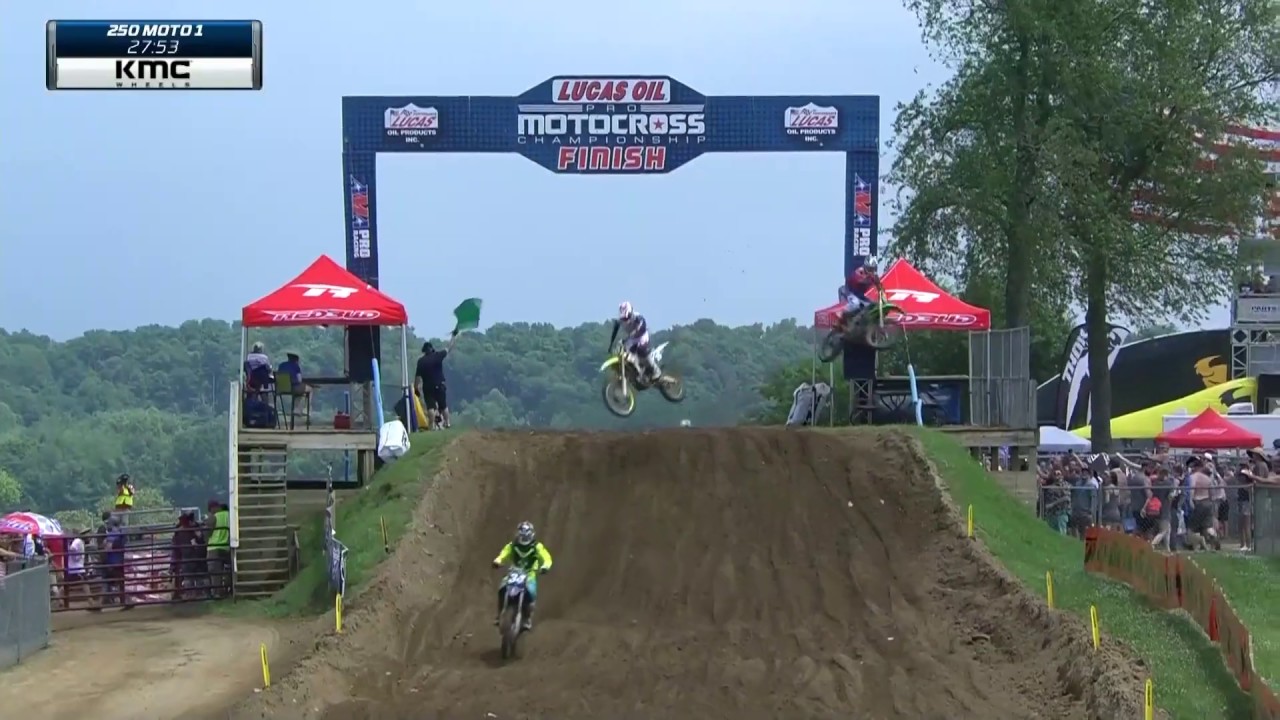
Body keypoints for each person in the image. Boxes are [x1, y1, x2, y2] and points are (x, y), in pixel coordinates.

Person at [491, 521, 553, 631]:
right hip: (514, 572)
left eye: (526, 536)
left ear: (531, 535)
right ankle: (499, 614)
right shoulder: (512, 545)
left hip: (530, 574)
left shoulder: (537, 547)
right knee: (502, 588)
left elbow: (546, 557)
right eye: (522, 535)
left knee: (531, 593)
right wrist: (498, 561)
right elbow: (503, 554)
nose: (524, 538)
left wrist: (545, 566)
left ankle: (528, 618)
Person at [415, 334, 458, 430]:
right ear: (432, 349)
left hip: (427, 387)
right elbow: (448, 348)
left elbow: (417, 377)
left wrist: (416, 388)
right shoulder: (438, 356)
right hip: (439, 384)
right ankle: (447, 423)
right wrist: (453, 337)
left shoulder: (421, 361)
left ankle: (431, 426)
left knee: (430, 407)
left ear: (424, 351)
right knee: (443, 405)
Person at [609, 301, 657, 381]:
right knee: (625, 352)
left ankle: (655, 370)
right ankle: (636, 371)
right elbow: (615, 331)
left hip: (642, 336)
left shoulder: (637, 317)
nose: (626, 320)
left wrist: (636, 331)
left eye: (627, 317)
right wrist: (611, 344)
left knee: (640, 350)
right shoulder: (620, 320)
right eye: (624, 318)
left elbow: (643, 325)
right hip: (632, 338)